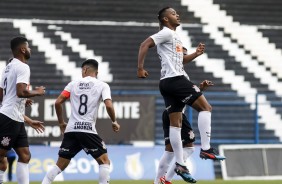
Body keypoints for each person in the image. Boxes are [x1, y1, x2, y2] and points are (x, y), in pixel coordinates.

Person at [137, 6, 225, 183]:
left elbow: (182, 60)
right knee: (206, 108)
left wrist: (196, 54)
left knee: (175, 125)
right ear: (165, 19)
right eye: (172, 13)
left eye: (176, 12)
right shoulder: (166, 33)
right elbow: (144, 44)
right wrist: (140, 68)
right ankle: (206, 148)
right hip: (176, 79)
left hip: (167, 83)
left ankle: (179, 164)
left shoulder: (175, 37)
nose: (177, 15)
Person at [41, 59, 120, 184]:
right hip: (87, 129)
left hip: (71, 129)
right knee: (104, 161)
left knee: (60, 165)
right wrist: (114, 121)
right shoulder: (103, 85)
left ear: (84, 69)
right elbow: (109, 106)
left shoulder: (73, 84)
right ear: (97, 72)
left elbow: (57, 102)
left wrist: (61, 123)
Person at [0, 36, 46, 184]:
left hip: (16, 118)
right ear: (23, 49)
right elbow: (21, 91)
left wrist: (25, 109)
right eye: (28, 47)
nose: (30, 49)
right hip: (10, 118)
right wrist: (37, 92)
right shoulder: (23, 66)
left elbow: (2, 95)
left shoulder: (8, 68)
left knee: (25, 155)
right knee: (1, 156)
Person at [155, 80, 214, 184]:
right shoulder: (178, 75)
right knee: (189, 148)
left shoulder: (173, 75)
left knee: (169, 151)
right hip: (177, 114)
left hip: (168, 113)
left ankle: (158, 182)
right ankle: (166, 180)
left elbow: (183, 96)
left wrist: (200, 90)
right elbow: (185, 96)